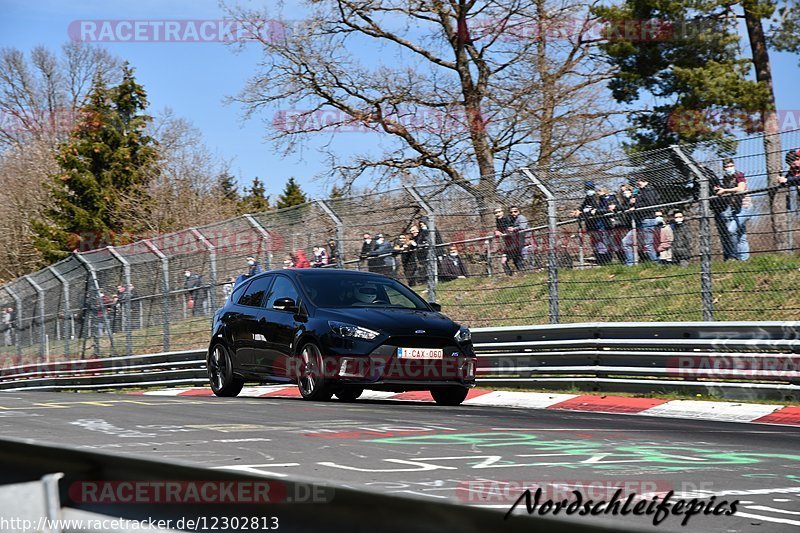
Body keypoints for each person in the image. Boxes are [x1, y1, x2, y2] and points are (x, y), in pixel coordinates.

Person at [714, 158, 751, 261]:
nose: (729, 168)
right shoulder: (725, 178)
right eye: (726, 167)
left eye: (730, 166)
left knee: (731, 229)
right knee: (741, 236)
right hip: (735, 209)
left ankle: (733, 255)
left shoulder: (739, 175)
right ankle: (744, 260)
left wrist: (725, 190)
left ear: (734, 165)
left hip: (745, 207)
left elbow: (741, 188)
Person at [622, 177, 662, 265]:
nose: (638, 182)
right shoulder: (640, 191)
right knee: (626, 242)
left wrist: (635, 205)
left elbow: (650, 203)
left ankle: (656, 264)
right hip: (639, 220)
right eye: (637, 181)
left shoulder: (649, 190)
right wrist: (632, 202)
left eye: (640, 181)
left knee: (648, 244)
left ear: (646, 181)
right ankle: (630, 263)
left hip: (648, 219)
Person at [572, 181, 612, 265]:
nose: (588, 190)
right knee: (595, 244)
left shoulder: (597, 198)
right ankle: (600, 260)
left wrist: (583, 213)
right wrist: (578, 211)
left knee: (602, 243)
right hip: (591, 225)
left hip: (600, 224)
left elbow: (596, 211)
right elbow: (582, 207)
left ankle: (606, 261)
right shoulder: (588, 198)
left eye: (589, 188)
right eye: (587, 188)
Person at [494, 207, 516, 276]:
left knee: (516, 259)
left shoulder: (508, 218)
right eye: (495, 213)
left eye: (499, 212)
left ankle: (520, 273)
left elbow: (510, 228)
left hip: (514, 242)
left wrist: (505, 231)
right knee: (504, 261)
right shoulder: (497, 220)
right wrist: (497, 231)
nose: (497, 214)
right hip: (507, 243)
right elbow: (499, 229)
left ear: (502, 212)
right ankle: (509, 275)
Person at [507, 205, 529, 271]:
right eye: (511, 212)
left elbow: (523, 227)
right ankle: (521, 272)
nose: (513, 213)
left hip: (526, 240)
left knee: (525, 258)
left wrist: (513, 229)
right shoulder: (512, 219)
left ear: (519, 211)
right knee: (518, 258)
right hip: (518, 242)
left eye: (515, 211)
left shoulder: (521, 218)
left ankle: (528, 271)